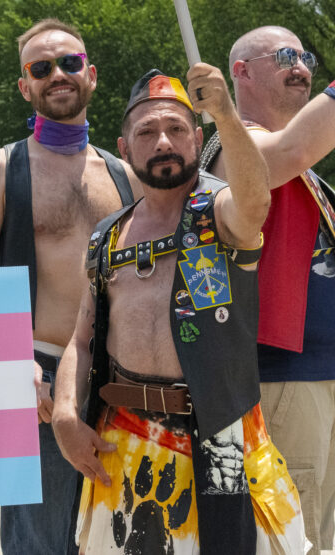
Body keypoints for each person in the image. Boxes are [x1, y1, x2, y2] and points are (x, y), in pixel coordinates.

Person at [52, 66, 305, 553]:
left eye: (177, 128)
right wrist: (65, 415)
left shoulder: (221, 211)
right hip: (123, 441)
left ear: (198, 138)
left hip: (222, 441)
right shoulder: (107, 235)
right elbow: (82, 340)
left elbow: (255, 202)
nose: (163, 141)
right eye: (147, 132)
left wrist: (226, 114)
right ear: (125, 149)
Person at [0, 18, 139, 553]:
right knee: (39, 543)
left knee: (118, 538)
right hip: (34, 380)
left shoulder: (126, 175)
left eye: (69, 62)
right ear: (25, 86)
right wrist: (9, 366)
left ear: (91, 75)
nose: (57, 74)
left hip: (116, 380)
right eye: (41, 68)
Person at [202, 25, 335, 552]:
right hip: (279, 379)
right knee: (288, 541)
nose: (300, 66)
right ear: (241, 72)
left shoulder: (306, 173)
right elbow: (292, 150)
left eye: (305, 57)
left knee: (316, 538)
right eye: (284, 56)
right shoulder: (232, 147)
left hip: (316, 377)